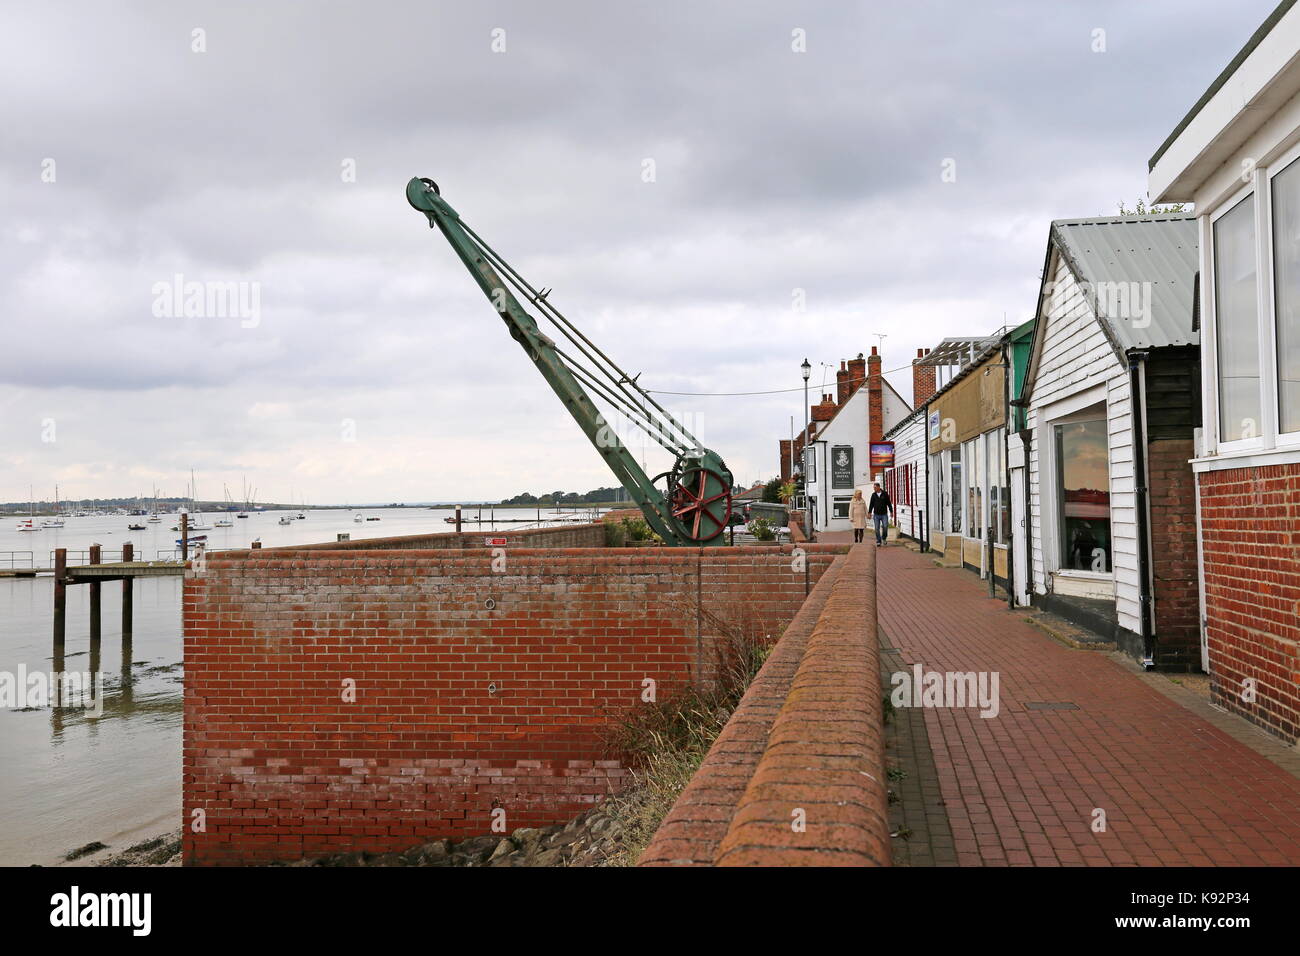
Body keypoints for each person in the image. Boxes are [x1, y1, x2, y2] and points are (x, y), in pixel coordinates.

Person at [868, 482, 895, 547]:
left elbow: (889, 503)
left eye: (875, 487)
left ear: (878, 487)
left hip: (884, 514)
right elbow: (871, 504)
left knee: (885, 527)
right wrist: (869, 513)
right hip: (876, 515)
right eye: (873, 488)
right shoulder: (873, 495)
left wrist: (891, 512)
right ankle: (878, 541)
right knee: (877, 528)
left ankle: (884, 538)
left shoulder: (885, 494)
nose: (874, 489)